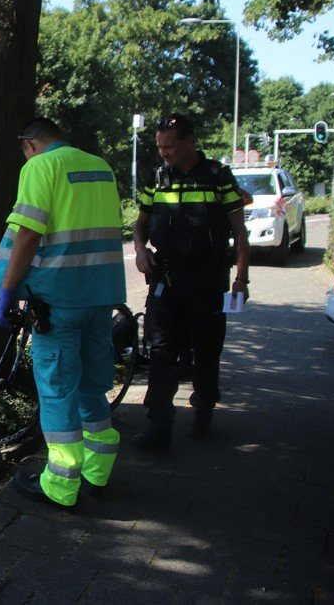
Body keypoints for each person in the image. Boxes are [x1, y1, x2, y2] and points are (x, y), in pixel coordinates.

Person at [0, 118, 127, 508]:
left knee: (58, 390)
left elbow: (27, 233)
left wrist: (6, 291)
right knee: (93, 384)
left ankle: (60, 485)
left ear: (29, 144)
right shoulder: (100, 166)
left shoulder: (40, 166)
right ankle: (99, 470)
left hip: (59, 299)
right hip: (102, 295)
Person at [133, 115, 250, 449]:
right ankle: (159, 425)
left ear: (189, 142)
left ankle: (203, 411)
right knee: (160, 350)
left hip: (207, 278)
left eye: (168, 146)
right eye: (159, 147)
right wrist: (141, 250)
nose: (163, 153)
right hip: (166, 277)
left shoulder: (217, 177)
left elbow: (240, 233)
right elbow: (140, 226)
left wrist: (241, 278)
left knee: (206, 349)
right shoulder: (156, 178)